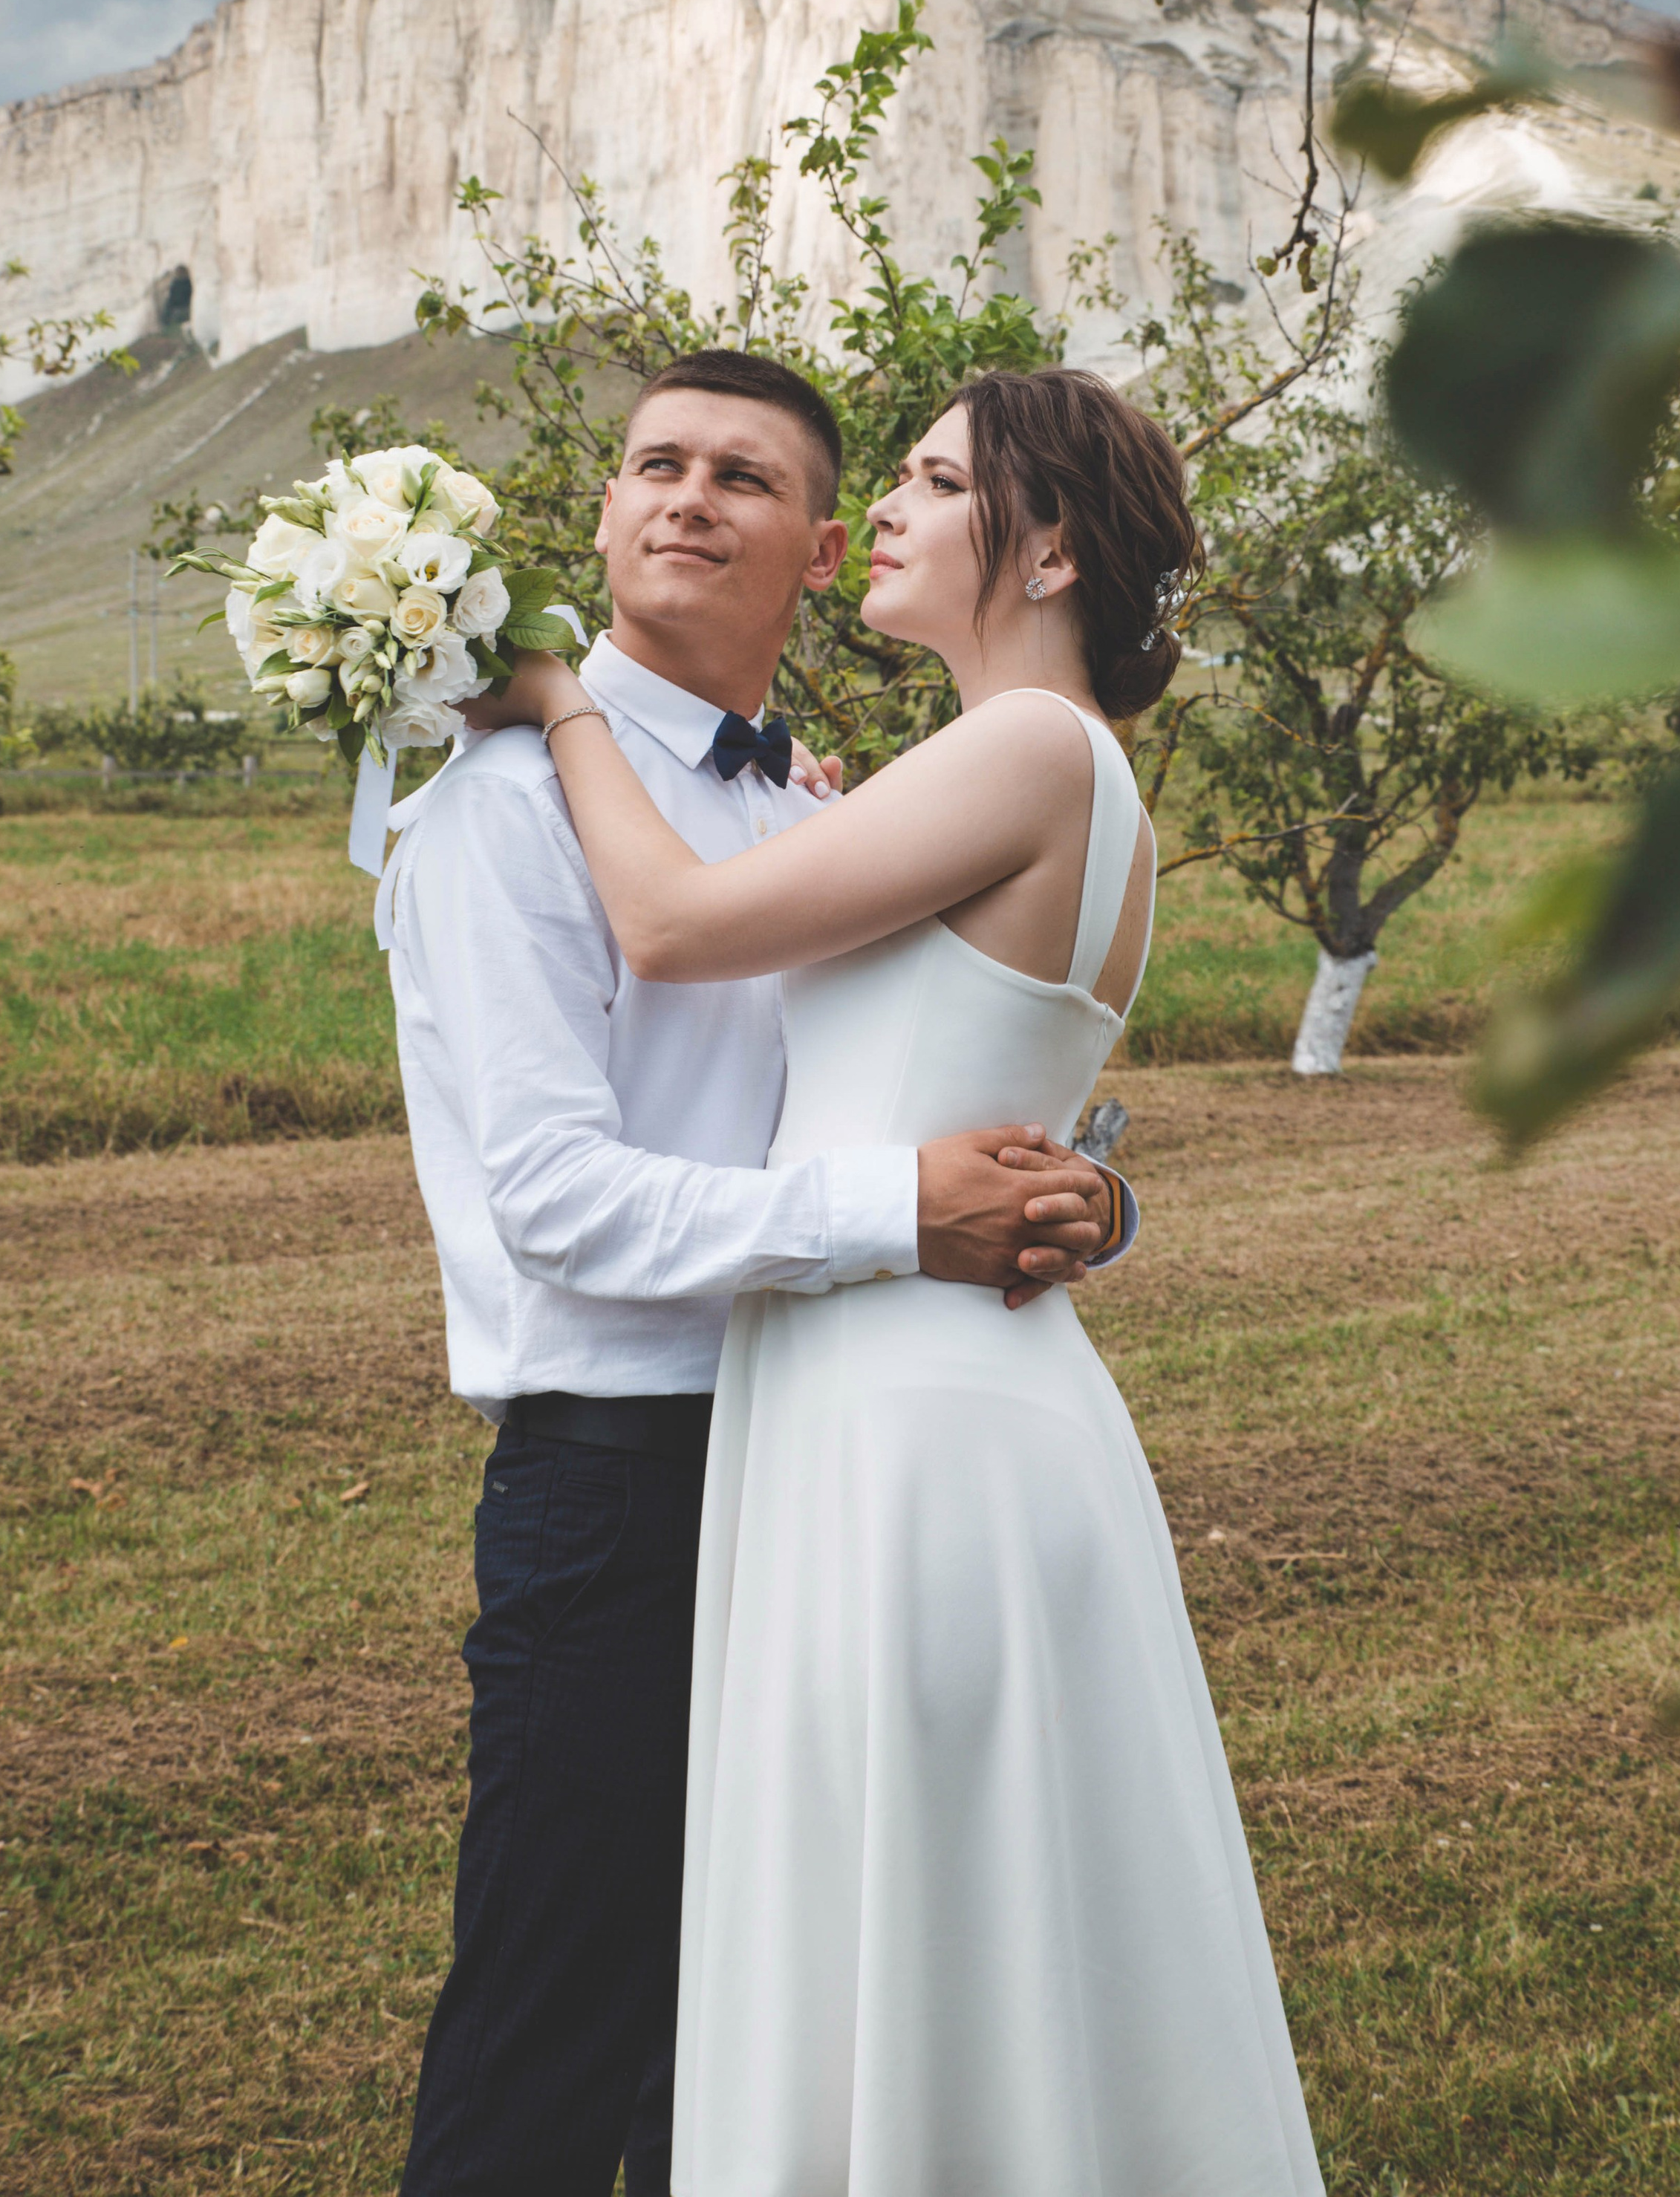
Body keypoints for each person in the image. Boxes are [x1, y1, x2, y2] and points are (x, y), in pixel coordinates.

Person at [506, 364, 1325, 2197]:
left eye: (933, 482)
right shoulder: (1029, 772)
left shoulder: (1031, 750)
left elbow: (672, 927)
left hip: (904, 1421)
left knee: (908, 1902)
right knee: (959, 1913)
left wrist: (562, 707)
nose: (880, 511)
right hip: (925, 1383)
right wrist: (1097, 1202)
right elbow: (997, 1083)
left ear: (1037, 543)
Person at [382, 350, 1134, 2197]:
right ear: (603, 515)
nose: (684, 498)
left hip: (827, 1468)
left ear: (815, 554)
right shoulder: (499, 812)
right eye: (653, 465)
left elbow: (955, 1073)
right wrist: (908, 1216)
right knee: (556, 2049)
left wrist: (1089, 1205)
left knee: (760, 2035)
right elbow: (556, 1203)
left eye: (741, 474)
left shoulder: (811, 808)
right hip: (624, 1484)